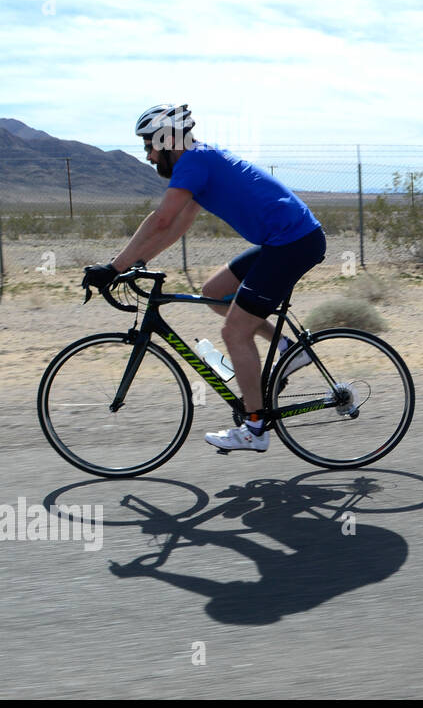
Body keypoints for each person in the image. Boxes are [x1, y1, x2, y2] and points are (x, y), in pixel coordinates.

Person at [80, 104, 327, 453]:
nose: (149, 156)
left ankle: (255, 429)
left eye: (150, 145)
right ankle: (287, 349)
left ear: (168, 141)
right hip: (285, 240)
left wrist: (115, 267)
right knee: (215, 291)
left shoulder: (194, 161)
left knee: (234, 331)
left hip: (293, 243)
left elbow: (160, 220)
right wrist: (136, 263)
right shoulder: (199, 160)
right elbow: (176, 226)